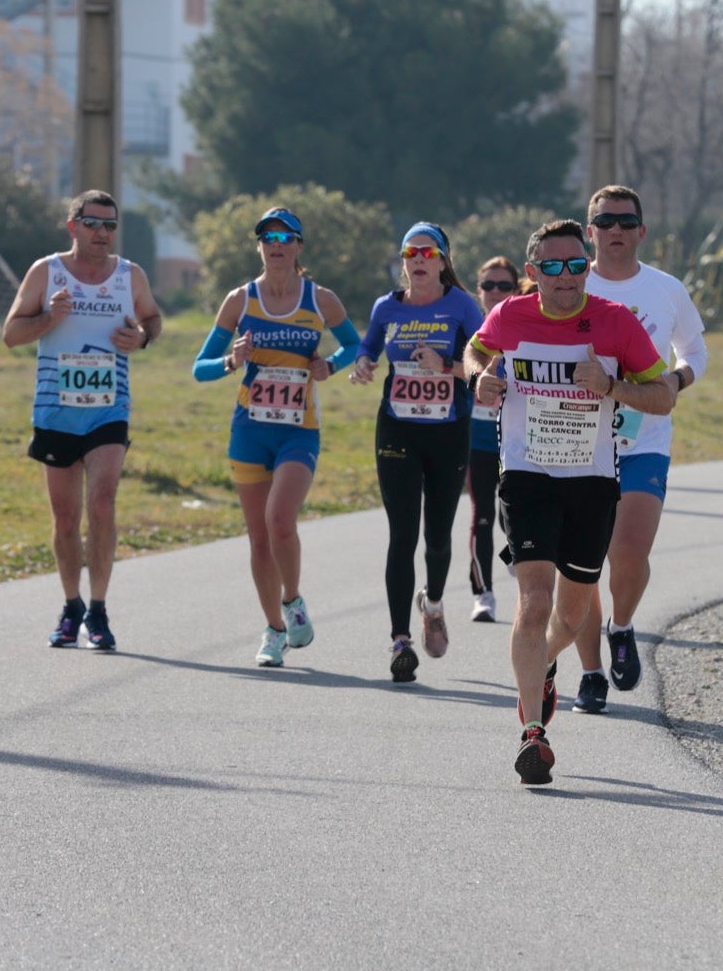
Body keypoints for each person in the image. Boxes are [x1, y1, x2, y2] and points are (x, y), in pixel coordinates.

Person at [462, 218, 671, 786]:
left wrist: (610, 387)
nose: (566, 276)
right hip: (528, 475)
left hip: (593, 482)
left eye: (576, 264)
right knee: (533, 602)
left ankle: (546, 662)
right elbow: (474, 351)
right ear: (532, 274)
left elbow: (663, 397)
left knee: (575, 612)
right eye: (552, 267)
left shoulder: (615, 322)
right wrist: (479, 377)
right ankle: (533, 733)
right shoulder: (511, 315)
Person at [191, 207, 361, 666]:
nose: (277, 244)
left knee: (280, 520)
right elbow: (199, 368)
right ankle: (273, 631)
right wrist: (232, 360)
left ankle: (292, 599)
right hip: (249, 430)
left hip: (298, 431)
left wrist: (331, 364)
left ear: (299, 247)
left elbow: (356, 344)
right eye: (268, 237)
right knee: (259, 539)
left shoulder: (319, 299)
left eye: (287, 237)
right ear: (260, 246)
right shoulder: (239, 301)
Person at [3, 189, 163, 652]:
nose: (102, 233)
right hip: (56, 409)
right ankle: (71, 605)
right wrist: (48, 318)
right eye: (92, 224)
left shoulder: (129, 275)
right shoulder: (46, 271)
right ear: (73, 226)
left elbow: (153, 319)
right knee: (66, 515)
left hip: (109, 409)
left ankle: (98, 609)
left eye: (110, 226)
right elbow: (11, 334)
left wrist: (142, 338)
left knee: (104, 501)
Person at [569, 185, 709, 714]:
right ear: (590, 232)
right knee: (579, 567)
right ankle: (589, 675)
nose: (616, 232)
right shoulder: (569, 285)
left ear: (642, 231)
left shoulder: (665, 289)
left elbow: (695, 349)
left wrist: (677, 380)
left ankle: (621, 625)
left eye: (626, 222)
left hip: (643, 438)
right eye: (605, 222)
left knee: (628, 554)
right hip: (575, 443)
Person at [349, 223, 484, 682]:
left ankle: (434, 603)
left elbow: (486, 363)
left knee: (439, 537)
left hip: (448, 431)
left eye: (428, 252)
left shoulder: (463, 306)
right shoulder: (387, 307)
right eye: (411, 252)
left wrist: (445, 366)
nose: (419, 259)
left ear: (444, 261)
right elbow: (366, 349)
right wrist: (364, 364)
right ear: (403, 261)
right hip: (398, 429)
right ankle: (399, 641)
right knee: (402, 534)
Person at [463, 256, 530, 626]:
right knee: (482, 516)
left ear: (515, 288)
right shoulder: (470, 328)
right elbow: (456, 364)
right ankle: (482, 594)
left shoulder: (522, 323)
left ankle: (515, 558)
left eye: (504, 286)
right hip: (479, 439)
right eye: (488, 285)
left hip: (519, 440)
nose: (495, 293)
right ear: (478, 290)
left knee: (514, 518)